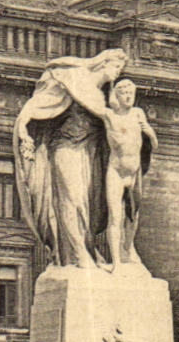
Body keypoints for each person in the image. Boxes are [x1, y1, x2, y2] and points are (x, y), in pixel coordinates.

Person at [14, 49, 130, 268]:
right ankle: (78, 255)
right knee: (72, 200)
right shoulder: (72, 78)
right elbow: (41, 102)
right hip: (66, 147)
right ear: (103, 63)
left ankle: (86, 251)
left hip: (90, 153)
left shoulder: (103, 95)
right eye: (116, 67)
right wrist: (22, 124)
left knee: (90, 207)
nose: (118, 73)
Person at [66, 78, 156, 268]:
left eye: (131, 93)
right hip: (116, 171)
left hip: (134, 172)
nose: (129, 97)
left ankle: (127, 248)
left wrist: (149, 132)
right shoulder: (109, 115)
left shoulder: (138, 114)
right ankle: (116, 263)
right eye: (124, 93)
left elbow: (154, 145)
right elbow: (87, 103)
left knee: (133, 217)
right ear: (117, 95)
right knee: (115, 218)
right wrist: (70, 84)